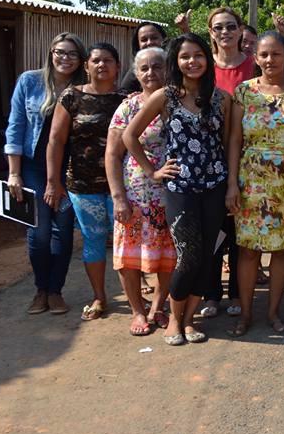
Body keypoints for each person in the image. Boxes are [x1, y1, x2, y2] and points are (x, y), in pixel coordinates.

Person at [124, 33, 231, 346]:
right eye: (185, 56)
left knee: (208, 253)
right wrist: (152, 171)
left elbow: (228, 143)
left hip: (214, 183)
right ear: (176, 62)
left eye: (198, 55)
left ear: (207, 59)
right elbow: (130, 136)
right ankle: (174, 319)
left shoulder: (221, 98)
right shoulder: (165, 97)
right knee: (188, 254)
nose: (192, 61)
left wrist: (231, 184)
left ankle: (190, 319)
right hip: (180, 186)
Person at [225, 31, 284, 337]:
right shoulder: (244, 91)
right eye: (264, 55)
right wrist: (232, 183)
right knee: (247, 250)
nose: (270, 60)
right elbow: (234, 139)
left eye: (276, 54)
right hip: (250, 179)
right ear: (255, 58)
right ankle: (245, 314)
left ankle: (273, 312)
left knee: (282, 249)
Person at [45, 43, 126, 322]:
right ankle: (99, 297)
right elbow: (56, 140)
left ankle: (137, 297)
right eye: (96, 60)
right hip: (82, 184)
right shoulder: (71, 97)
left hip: (122, 187)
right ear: (87, 66)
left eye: (108, 60)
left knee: (125, 242)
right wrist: (52, 181)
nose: (102, 65)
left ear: (117, 66)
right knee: (93, 240)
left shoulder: (127, 100)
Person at [5, 33, 85, 315]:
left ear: (81, 59)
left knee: (63, 232)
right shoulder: (30, 81)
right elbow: (15, 127)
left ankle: (55, 291)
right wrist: (14, 173)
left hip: (69, 169)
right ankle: (40, 290)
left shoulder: (82, 88)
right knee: (39, 233)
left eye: (72, 54)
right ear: (51, 53)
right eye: (60, 52)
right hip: (33, 168)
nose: (65, 58)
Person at [105, 46, 175, 336]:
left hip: (172, 194)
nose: (151, 73)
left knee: (169, 255)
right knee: (130, 256)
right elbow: (112, 153)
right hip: (136, 194)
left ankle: (158, 305)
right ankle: (137, 310)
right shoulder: (129, 107)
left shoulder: (178, 101)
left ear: (167, 68)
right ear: (135, 73)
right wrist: (118, 197)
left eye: (157, 66)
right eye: (144, 68)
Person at [202, 7, 252, 317]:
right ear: (211, 32)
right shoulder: (202, 67)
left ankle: (236, 292)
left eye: (231, 26)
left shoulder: (254, 66)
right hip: (208, 159)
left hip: (249, 158)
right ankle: (211, 294)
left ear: (240, 30)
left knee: (238, 229)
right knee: (212, 228)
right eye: (218, 27)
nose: (225, 32)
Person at [121, 22, 168, 92]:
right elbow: (124, 92)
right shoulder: (136, 70)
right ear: (138, 44)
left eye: (154, 38)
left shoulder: (175, 63)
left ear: (164, 39)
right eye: (144, 40)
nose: (149, 42)